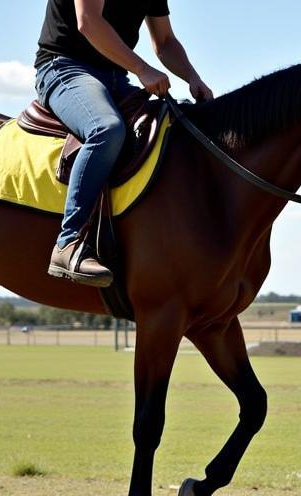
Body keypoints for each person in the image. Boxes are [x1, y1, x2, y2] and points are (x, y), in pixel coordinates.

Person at [34, 0, 213, 286]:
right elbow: (88, 22)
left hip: (115, 76)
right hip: (64, 68)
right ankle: (68, 243)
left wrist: (193, 77)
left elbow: (165, 41)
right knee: (106, 129)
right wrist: (143, 69)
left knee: (173, 127)